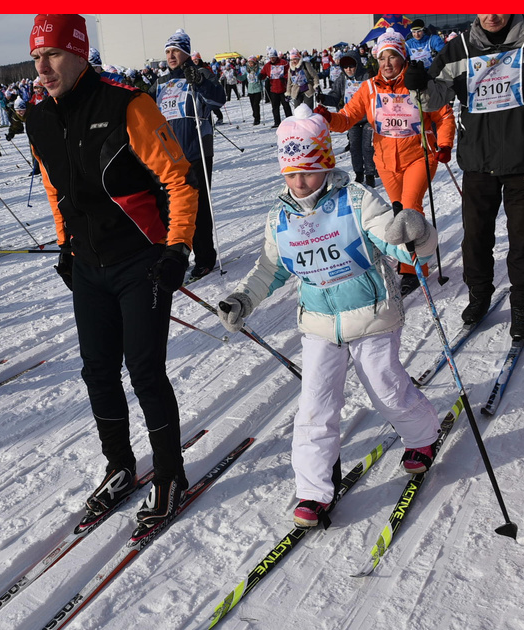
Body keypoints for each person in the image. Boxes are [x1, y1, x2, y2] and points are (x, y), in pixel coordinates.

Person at [215, 105, 440, 527]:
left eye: (308, 171)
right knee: (314, 409)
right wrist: (243, 299)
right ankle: (313, 492)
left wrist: (416, 236)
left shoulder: (356, 201)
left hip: (372, 316)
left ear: (326, 164)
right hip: (319, 324)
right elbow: (271, 268)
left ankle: (423, 437)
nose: (299, 182)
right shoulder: (280, 215)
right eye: (290, 173)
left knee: (387, 391)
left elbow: (395, 244)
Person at [26, 14, 199, 528]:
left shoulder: (127, 104)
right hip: (87, 264)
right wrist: (64, 244)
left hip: (140, 259)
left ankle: (170, 471)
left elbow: (178, 181)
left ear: (79, 53)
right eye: (37, 58)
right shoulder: (38, 119)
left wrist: (176, 249)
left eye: (52, 55)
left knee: (144, 370)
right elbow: (57, 189)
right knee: (97, 372)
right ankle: (120, 464)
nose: (43, 67)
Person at [406, 13, 524, 340]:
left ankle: (522, 301)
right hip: (478, 159)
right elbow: (435, 96)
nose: (492, 15)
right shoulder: (460, 49)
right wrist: (418, 84)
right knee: (476, 236)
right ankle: (479, 294)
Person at [320, 29, 455, 296]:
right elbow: (347, 118)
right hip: (385, 160)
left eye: (393, 57)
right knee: (396, 213)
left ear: (403, 57)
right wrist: (327, 117)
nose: (387, 64)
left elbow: (444, 115)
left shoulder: (418, 82)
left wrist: (445, 144)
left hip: (419, 155)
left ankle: (415, 270)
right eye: (383, 58)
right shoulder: (369, 88)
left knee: (410, 209)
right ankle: (409, 258)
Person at [157, 28, 226, 281]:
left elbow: (219, 100)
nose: (171, 55)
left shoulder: (201, 74)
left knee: (197, 208)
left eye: (175, 50)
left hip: (196, 150)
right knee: (172, 208)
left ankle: (205, 258)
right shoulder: (162, 82)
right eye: (167, 51)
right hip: (169, 155)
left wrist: (200, 81)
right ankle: (177, 256)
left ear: (186, 52)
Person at [323, 54, 378, 188]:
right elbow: (335, 96)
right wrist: (323, 98)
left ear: (357, 65)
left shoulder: (366, 77)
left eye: (351, 66)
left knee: (367, 147)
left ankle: (370, 174)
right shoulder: (342, 79)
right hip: (351, 118)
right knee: (354, 147)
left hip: (367, 118)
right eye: (345, 67)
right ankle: (359, 173)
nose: (349, 69)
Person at [260, 47, 291, 127]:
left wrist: (284, 77)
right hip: (273, 89)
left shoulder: (283, 63)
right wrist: (261, 75)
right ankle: (277, 122)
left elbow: (290, 72)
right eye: (271, 57)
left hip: (283, 88)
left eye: (273, 57)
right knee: (275, 107)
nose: (272, 59)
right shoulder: (267, 65)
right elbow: (264, 73)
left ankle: (290, 120)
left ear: (276, 56)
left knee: (286, 106)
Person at [246, 57, 265, 125]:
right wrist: (236, 76)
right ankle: (255, 116)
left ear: (254, 63)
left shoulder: (259, 70)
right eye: (249, 63)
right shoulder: (247, 71)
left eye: (252, 63)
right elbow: (242, 77)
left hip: (258, 89)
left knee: (256, 104)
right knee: (252, 105)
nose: (250, 64)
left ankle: (257, 119)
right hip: (250, 90)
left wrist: (262, 76)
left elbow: (264, 77)